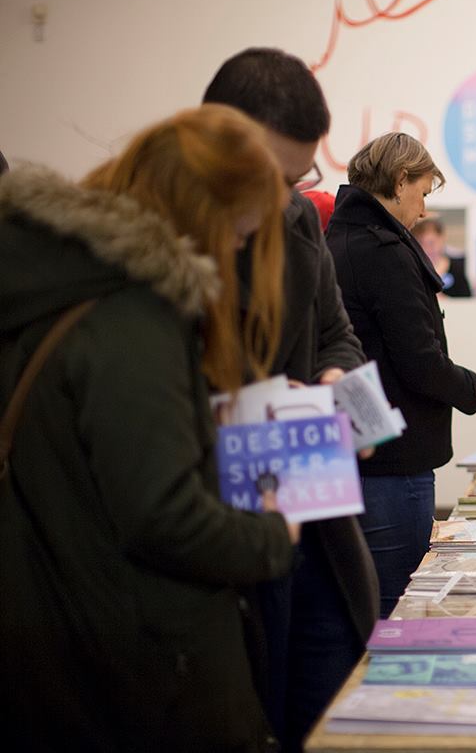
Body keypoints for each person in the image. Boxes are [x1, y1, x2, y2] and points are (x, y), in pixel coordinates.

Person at [0, 105, 297, 750]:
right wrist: (273, 537)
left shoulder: (60, 286)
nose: (239, 251)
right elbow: (163, 516)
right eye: (240, 233)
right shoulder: (134, 317)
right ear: (203, 214)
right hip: (143, 666)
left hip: (71, 641)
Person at [202, 47, 378, 752]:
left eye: (298, 178)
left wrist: (337, 381)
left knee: (329, 701)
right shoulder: (168, 243)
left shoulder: (300, 221)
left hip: (316, 515)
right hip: (228, 534)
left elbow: (338, 334)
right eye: (271, 178)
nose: (283, 198)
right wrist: (257, 402)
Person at [326, 132, 476, 617]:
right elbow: (420, 361)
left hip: (361, 451)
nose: (422, 210)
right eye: (422, 193)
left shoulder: (339, 240)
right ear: (400, 181)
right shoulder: (383, 251)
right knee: (400, 605)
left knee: (369, 599)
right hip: (396, 461)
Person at [412, 216, 472, 297]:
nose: (428, 248)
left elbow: (468, 300)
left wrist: (446, 301)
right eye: (422, 243)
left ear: (442, 239)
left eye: (431, 242)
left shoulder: (457, 269)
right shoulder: (414, 269)